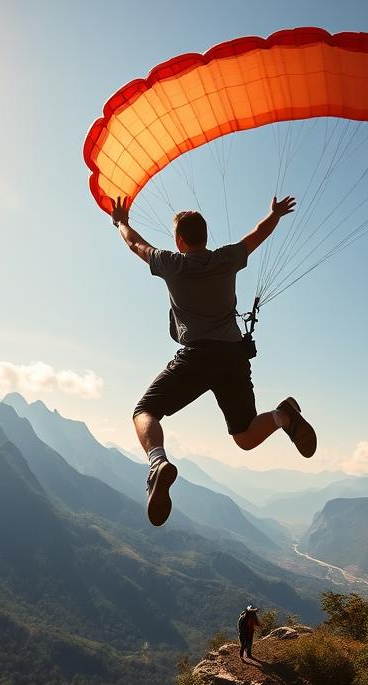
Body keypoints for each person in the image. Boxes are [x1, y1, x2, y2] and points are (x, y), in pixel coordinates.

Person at [110, 194, 318, 526]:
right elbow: (256, 236)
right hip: (233, 359)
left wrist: (121, 221)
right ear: (206, 236)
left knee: (144, 411)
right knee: (246, 437)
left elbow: (135, 244)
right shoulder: (227, 258)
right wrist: (275, 214)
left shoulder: (171, 264)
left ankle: (157, 462)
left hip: (195, 357)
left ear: (179, 240)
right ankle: (282, 416)